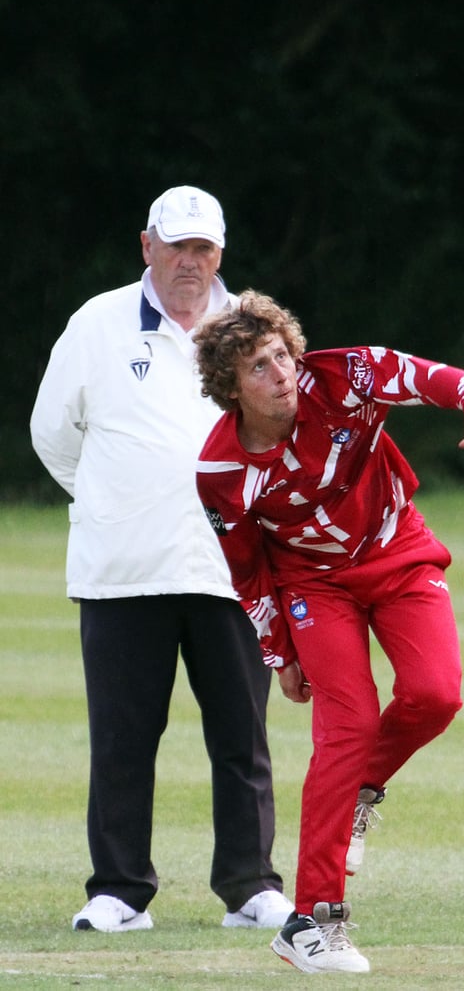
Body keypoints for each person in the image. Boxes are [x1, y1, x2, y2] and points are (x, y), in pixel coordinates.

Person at [192, 288, 464, 973]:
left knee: (436, 694)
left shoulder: (345, 376)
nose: (279, 373)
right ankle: (311, 921)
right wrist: (277, 650)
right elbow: (245, 568)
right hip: (314, 586)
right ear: (231, 387)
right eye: (257, 367)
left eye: (281, 354)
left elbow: (425, 375)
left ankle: (360, 787)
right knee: (348, 726)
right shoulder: (220, 471)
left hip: (396, 550)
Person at [29, 187, 293, 933]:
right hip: (123, 570)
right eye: (177, 246)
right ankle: (118, 890)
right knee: (122, 738)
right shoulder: (98, 323)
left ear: (221, 251)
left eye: (203, 248)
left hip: (232, 568)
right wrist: (113, 499)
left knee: (241, 738)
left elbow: (285, 424)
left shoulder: (252, 328)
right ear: (147, 245)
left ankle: (250, 886)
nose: (190, 262)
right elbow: (52, 434)